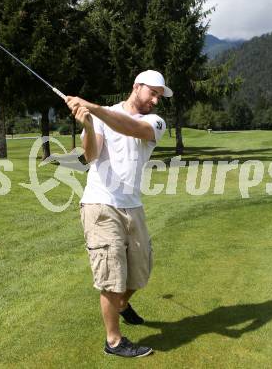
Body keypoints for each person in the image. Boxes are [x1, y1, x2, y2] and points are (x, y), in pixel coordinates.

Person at [66, 70, 173, 358]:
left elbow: (130, 128)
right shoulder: (104, 116)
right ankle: (113, 342)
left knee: (140, 273)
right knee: (112, 276)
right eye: (152, 93)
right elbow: (90, 156)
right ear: (136, 87)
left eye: (159, 96)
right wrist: (88, 126)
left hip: (132, 204)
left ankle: (122, 305)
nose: (155, 100)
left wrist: (93, 109)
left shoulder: (155, 122)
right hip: (100, 203)